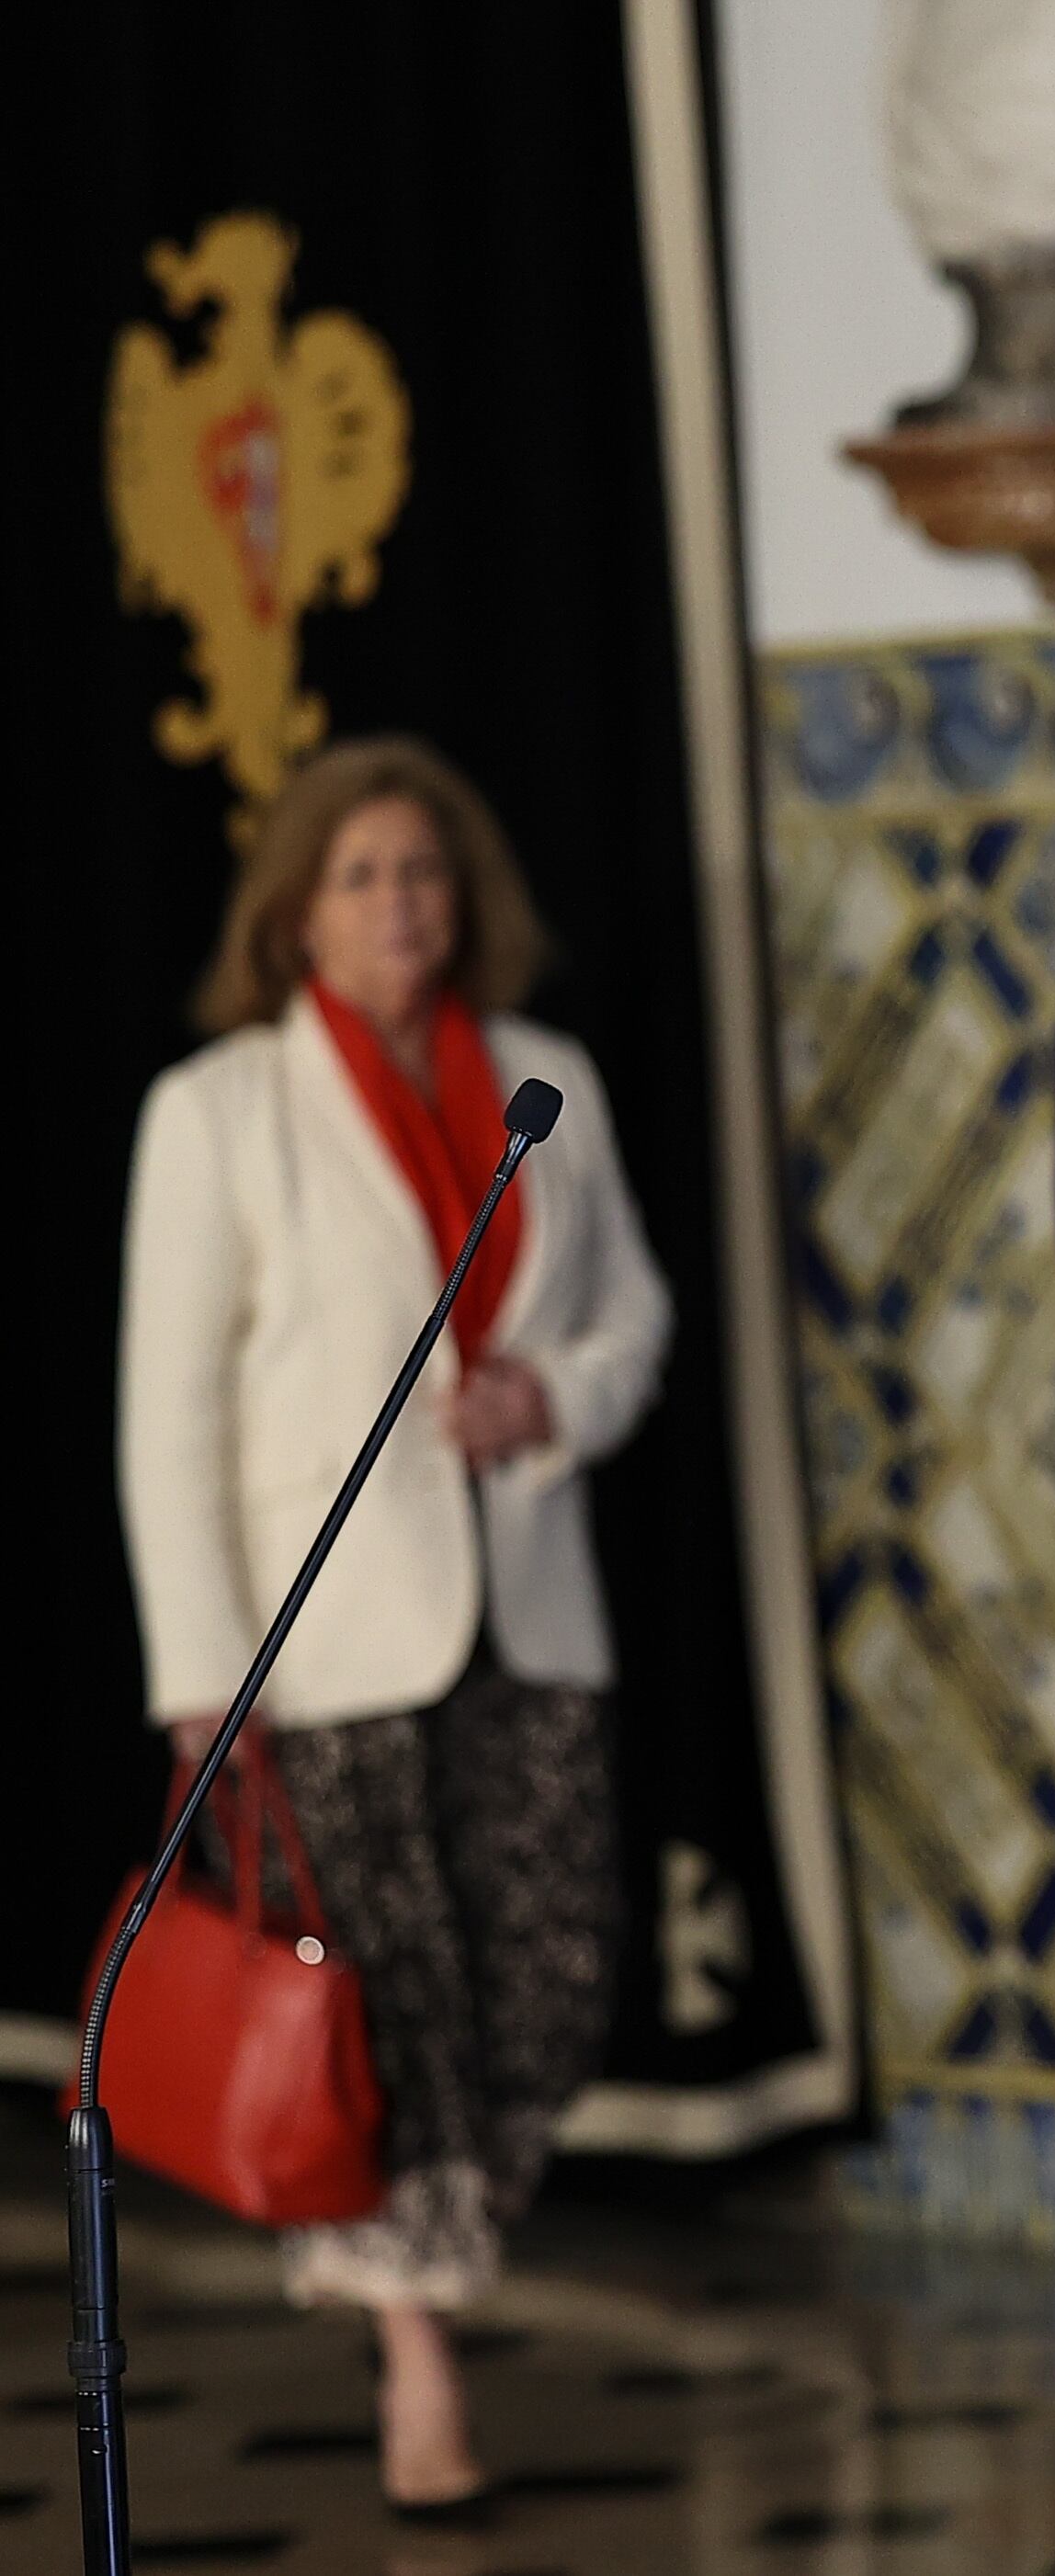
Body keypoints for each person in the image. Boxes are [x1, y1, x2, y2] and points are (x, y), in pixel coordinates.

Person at [117, 738, 670, 2521]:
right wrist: (202, 1673)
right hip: (322, 1641)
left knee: (547, 1982)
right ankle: (415, 2359)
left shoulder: (550, 1077)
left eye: (421, 870)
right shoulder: (217, 1109)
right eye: (358, 875)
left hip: (531, 1611)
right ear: (294, 910)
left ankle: (414, 2268)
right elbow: (167, 1416)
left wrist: (552, 1400)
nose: (397, 904)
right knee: (385, 2011)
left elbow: (634, 1319)